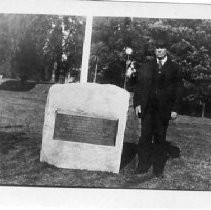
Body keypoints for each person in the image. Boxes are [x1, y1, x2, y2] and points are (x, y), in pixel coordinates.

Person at [133, 38, 183, 178]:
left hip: (163, 110)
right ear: (154, 50)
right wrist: (137, 104)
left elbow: (179, 89)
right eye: (157, 48)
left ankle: (158, 169)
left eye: (162, 47)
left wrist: (175, 109)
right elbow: (139, 86)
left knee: (160, 139)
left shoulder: (175, 68)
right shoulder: (147, 66)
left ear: (166, 49)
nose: (159, 50)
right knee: (145, 138)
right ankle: (142, 166)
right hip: (147, 109)